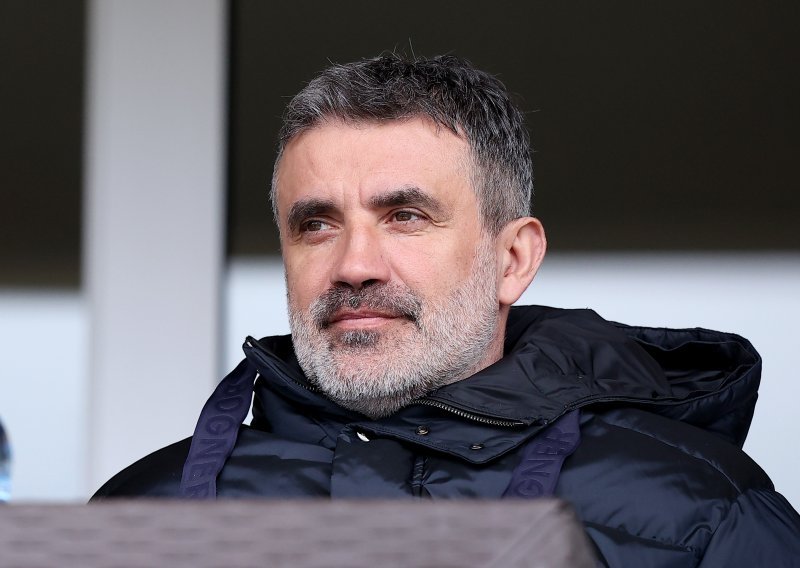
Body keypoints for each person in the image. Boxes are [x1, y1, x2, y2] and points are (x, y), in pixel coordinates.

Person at [93, 53, 800, 566]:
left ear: (513, 260)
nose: (355, 265)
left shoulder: (703, 515)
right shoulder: (139, 514)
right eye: (317, 225)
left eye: (404, 216)